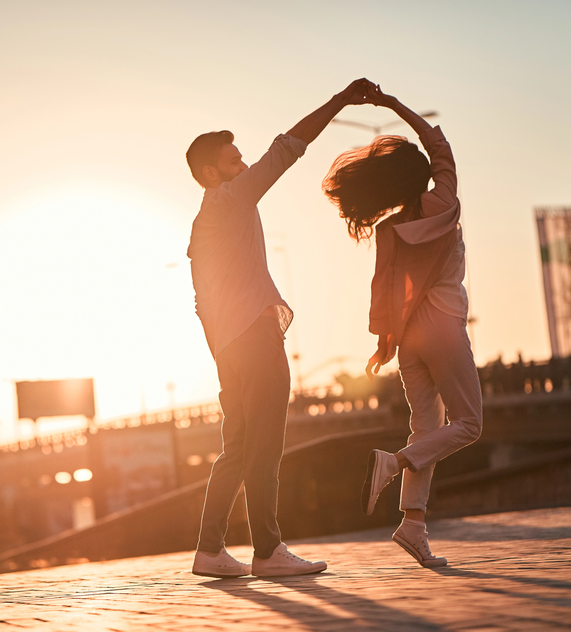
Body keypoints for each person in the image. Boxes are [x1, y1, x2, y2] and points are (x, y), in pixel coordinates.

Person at [186, 79, 373, 578]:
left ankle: (210, 550)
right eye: (233, 161)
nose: (244, 167)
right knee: (265, 448)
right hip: (254, 338)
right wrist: (338, 101)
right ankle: (268, 552)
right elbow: (287, 149)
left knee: (238, 449)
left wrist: (221, 351)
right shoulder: (231, 199)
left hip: (229, 348)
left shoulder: (202, 224)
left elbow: (201, 301)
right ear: (211, 173)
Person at [322, 84, 482, 568]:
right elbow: (440, 147)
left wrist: (383, 339)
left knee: (425, 427)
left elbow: (383, 287)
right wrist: (393, 104)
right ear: (422, 178)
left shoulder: (391, 229)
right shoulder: (443, 203)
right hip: (443, 322)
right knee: (469, 424)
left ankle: (413, 525)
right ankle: (393, 464)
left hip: (408, 333)